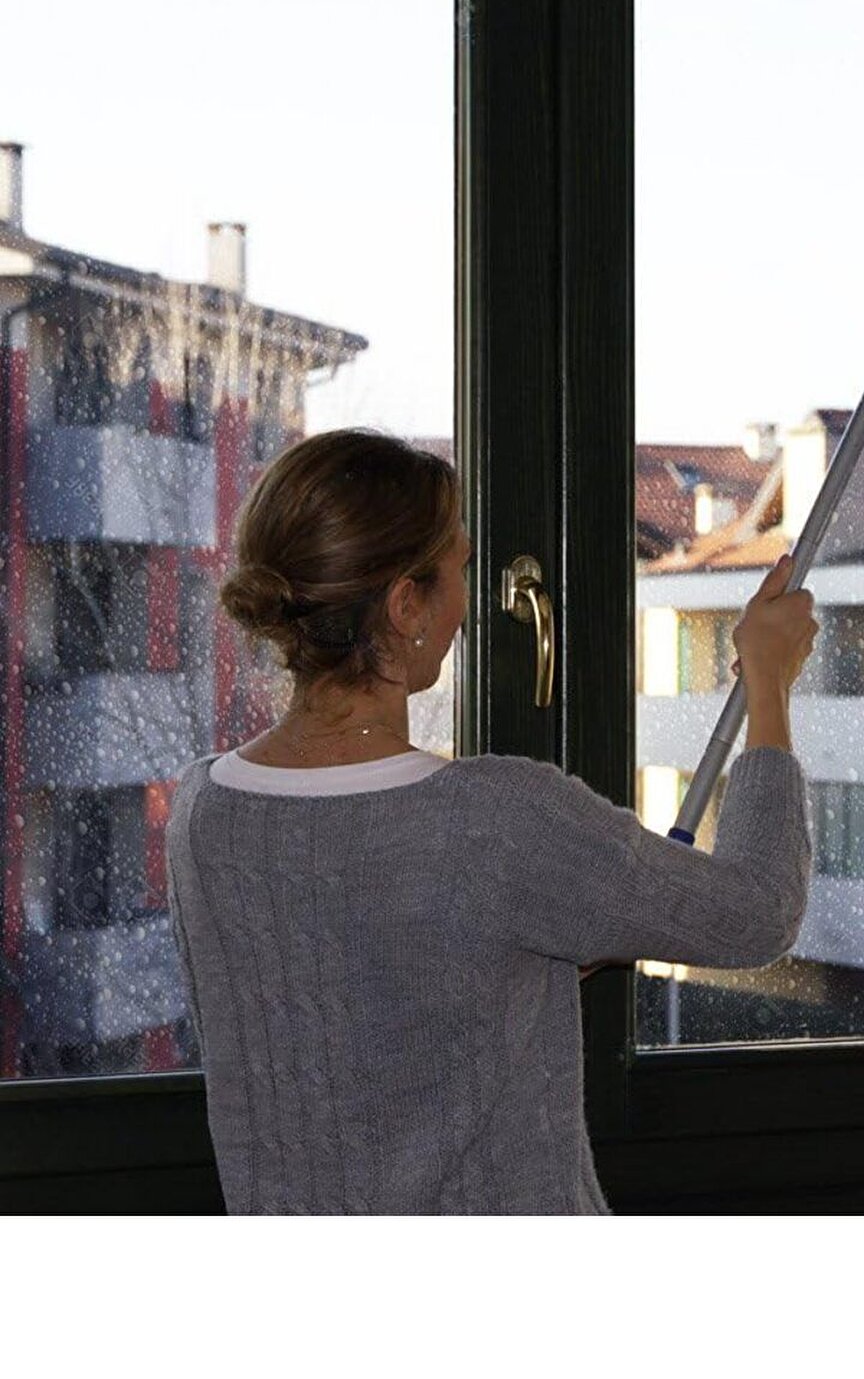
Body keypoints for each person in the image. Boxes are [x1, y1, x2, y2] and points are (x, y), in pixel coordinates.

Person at [165, 427, 816, 1215]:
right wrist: (769, 685)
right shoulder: (494, 823)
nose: (467, 604)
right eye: (461, 569)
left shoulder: (203, 812)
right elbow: (758, 911)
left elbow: (363, 997)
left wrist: (519, 958)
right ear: (406, 604)